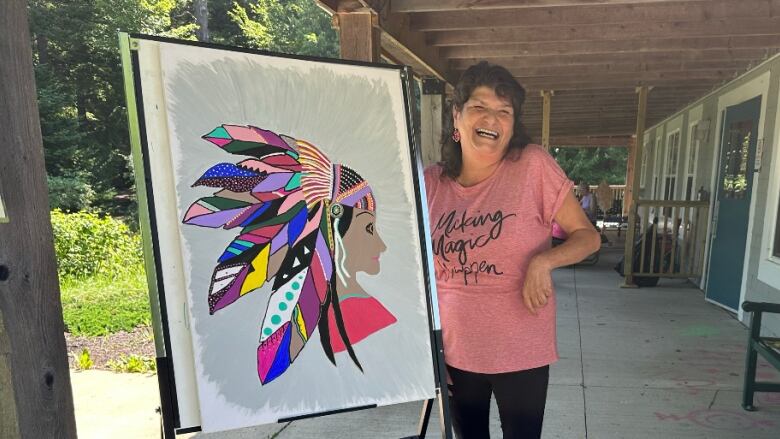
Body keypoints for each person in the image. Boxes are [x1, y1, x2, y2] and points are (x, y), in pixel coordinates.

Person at [424, 62, 601, 438]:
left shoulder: (532, 165)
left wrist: (544, 261)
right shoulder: (430, 183)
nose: (492, 118)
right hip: (455, 350)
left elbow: (587, 236)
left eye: (504, 111)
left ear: (512, 124)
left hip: (520, 347)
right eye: (480, 107)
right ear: (457, 116)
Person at [182, 124, 396, 384]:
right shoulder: (369, 319)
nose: (382, 245)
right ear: (336, 228)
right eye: (369, 228)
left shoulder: (371, 319)